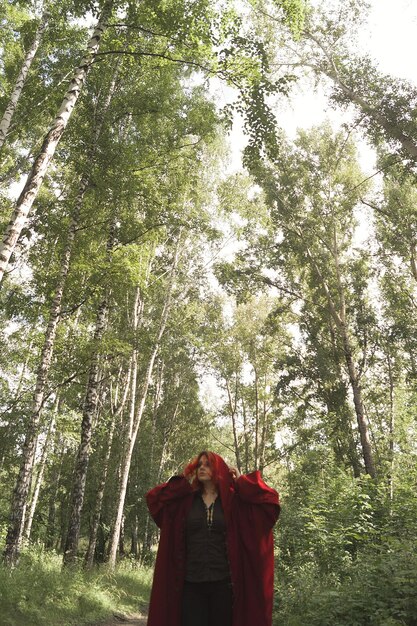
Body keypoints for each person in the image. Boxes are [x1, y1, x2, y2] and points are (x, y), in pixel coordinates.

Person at [145, 450, 280, 626]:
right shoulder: (186, 502)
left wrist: (241, 482)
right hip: (191, 584)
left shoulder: (233, 502)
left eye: (207, 464)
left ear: (218, 469)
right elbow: (155, 498)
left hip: (223, 585)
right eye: (199, 464)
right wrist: (182, 481)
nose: (202, 468)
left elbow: (269, 503)